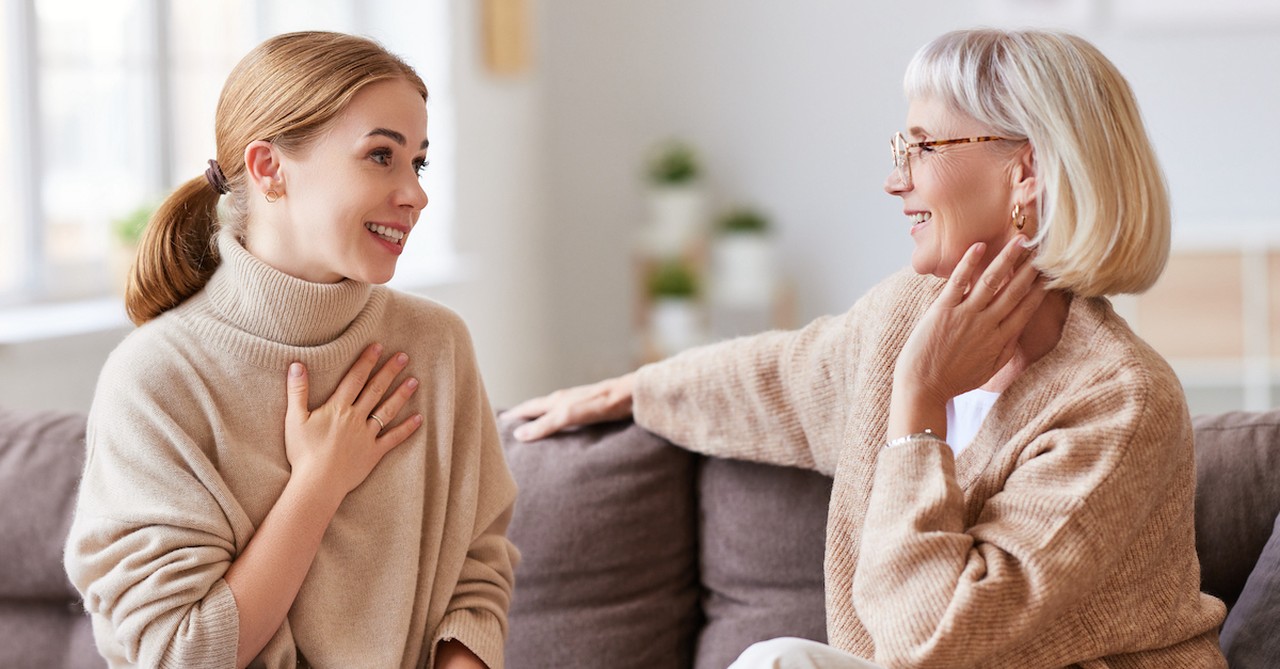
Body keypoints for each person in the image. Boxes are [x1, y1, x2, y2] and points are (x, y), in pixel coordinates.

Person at [504, 28, 1227, 668]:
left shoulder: (1120, 402)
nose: (894, 180)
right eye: (898, 149)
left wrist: (920, 403)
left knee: (779, 661)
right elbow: (781, 378)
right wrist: (635, 390)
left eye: (922, 147)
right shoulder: (901, 317)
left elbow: (938, 641)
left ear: (1027, 171)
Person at [63, 32, 517, 669]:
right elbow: (176, 654)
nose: (415, 193)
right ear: (270, 168)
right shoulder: (156, 379)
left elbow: (475, 567)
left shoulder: (437, 346)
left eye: (418, 162)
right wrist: (319, 484)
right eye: (380, 155)